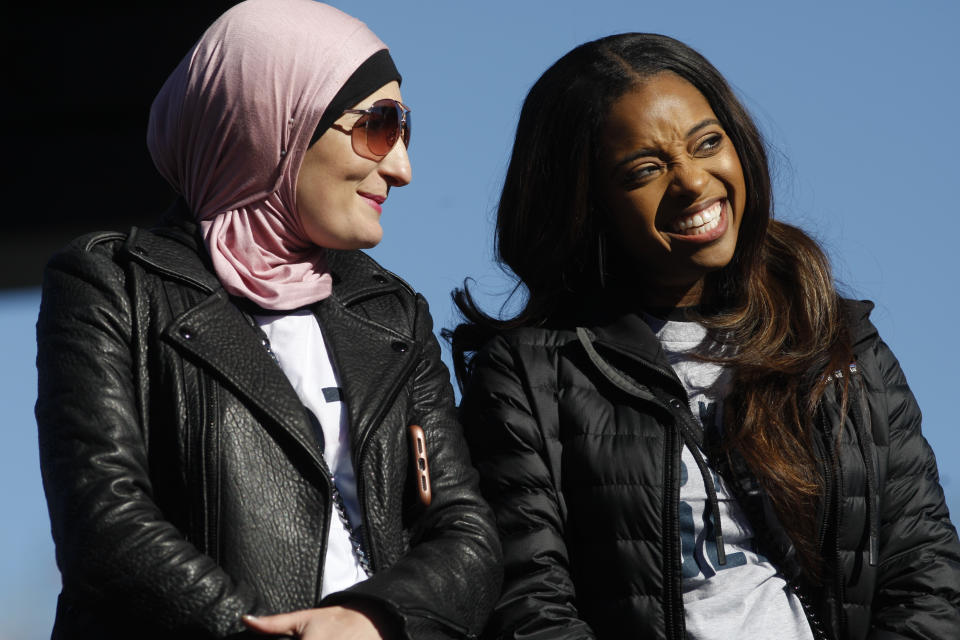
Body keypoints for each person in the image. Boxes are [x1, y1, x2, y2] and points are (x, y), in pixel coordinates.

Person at [449, 33, 960, 640]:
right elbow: (530, 608)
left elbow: (926, 575)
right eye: (645, 170)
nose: (693, 181)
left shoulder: (839, 340)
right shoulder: (528, 377)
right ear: (586, 204)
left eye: (707, 144)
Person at [35, 1, 500, 638]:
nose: (402, 168)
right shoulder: (111, 285)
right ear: (273, 122)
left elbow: (465, 535)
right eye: (378, 126)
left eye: (405, 131)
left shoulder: (394, 314)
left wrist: (373, 618)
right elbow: (105, 523)